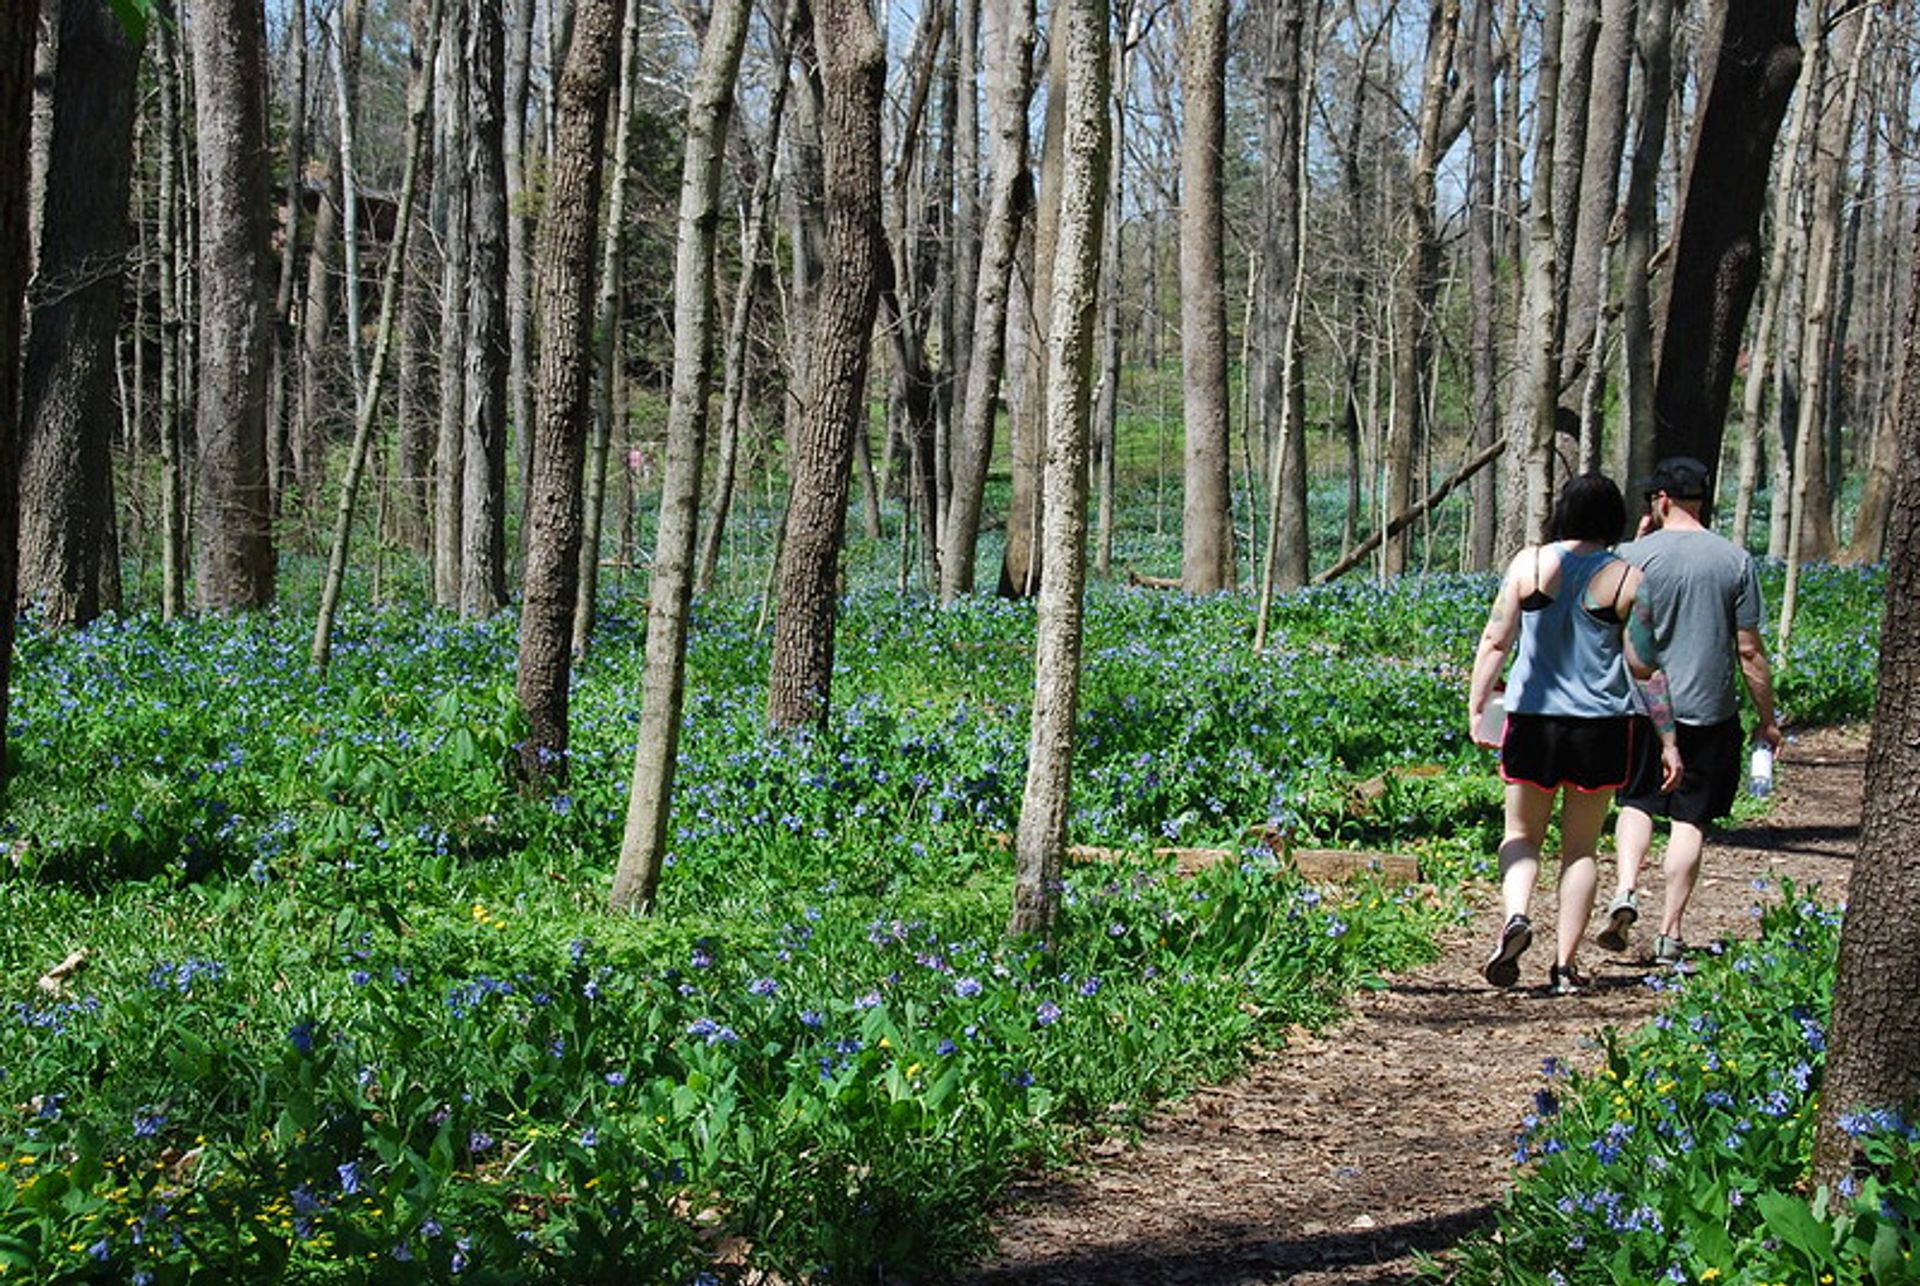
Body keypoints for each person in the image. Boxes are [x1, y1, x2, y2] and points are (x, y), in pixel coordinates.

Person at [1468, 474, 1682, 994]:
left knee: (1520, 835)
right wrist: (1670, 740)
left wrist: (1477, 706)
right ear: (1613, 520)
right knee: (1581, 849)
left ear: (1562, 512)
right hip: (1602, 727)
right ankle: (1564, 966)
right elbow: (1645, 667)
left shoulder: (1530, 564)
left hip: (1533, 721)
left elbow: (1497, 638)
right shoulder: (1628, 578)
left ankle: (1516, 916)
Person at [1597, 456, 1784, 966]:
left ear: (1660, 500)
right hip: (1710, 711)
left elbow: (1609, 629)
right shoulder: (1734, 560)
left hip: (1640, 707)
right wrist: (1766, 716)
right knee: (1690, 819)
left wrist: (1635, 544)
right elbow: (1748, 650)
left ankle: (1626, 890)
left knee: (1637, 803)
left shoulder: (1630, 556)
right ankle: (1670, 932)